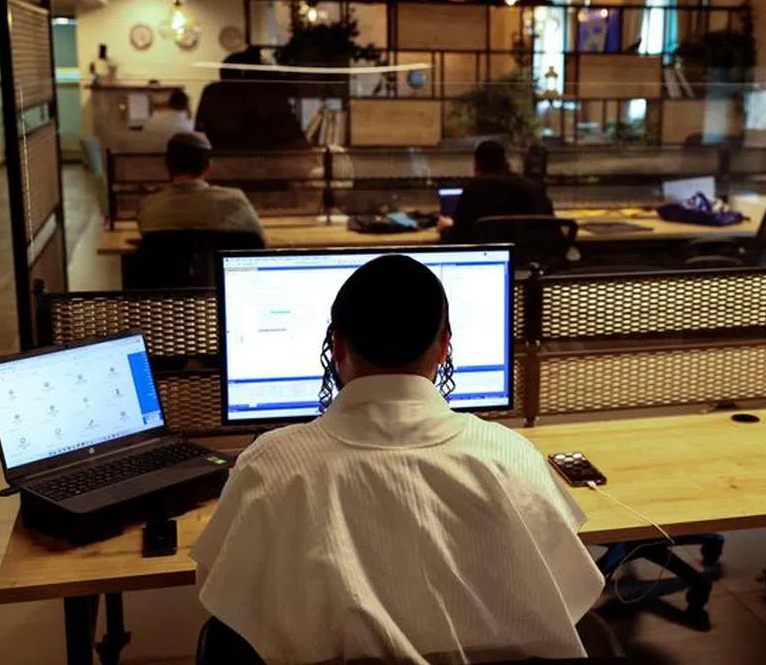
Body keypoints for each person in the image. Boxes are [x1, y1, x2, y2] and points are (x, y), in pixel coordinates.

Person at [193, 255, 603, 664]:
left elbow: (218, 587)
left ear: (336, 346)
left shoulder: (270, 467)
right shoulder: (509, 454)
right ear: (444, 346)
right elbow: (566, 591)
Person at [136, 131, 265, 242]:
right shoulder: (235, 201)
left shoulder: (148, 207)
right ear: (208, 167)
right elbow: (259, 242)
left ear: (167, 165)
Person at [439, 140, 554, 243]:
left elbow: (458, 240)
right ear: (506, 162)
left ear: (477, 166)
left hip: (491, 262)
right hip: (533, 262)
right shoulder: (533, 188)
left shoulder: (474, 190)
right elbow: (553, 235)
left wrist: (446, 229)